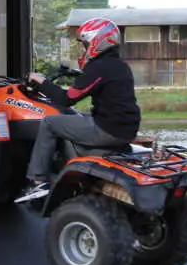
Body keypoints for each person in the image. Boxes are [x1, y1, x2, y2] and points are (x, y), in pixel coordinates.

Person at [15, 18, 141, 203]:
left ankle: (38, 180)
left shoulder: (98, 67)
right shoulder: (120, 66)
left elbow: (65, 99)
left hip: (108, 130)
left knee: (50, 122)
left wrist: (41, 82)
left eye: (85, 44)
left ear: (97, 41)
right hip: (126, 129)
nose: (83, 48)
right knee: (77, 116)